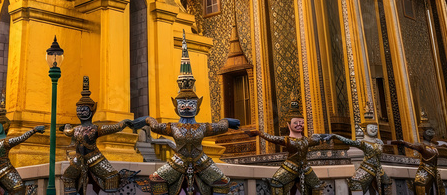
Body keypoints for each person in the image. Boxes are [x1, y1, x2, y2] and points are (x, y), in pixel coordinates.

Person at [138, 31, 240, 195]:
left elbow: (218, 127)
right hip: (178, 161)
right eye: (183, 104)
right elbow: (156, 127)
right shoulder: (172, 127)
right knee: (156, 180)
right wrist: (148, 119)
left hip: (201, 160)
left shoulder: (202, 127)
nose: (186, 106)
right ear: (176, 106)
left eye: (191, 103)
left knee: (222, 182)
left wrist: (226, 121)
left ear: (198, 106)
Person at [62, 76, 140, 194]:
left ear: (92, 111)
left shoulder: (95, 129)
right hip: (79, 160)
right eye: (79, 109)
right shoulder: (76, 129)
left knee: (112, 177)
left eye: (84, 110)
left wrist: (122, 124)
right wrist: (66, 127)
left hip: (95, 158)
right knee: (68, 177)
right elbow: (68, 133)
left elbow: (110, 128)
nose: (81, 112)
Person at [245, 99, 329, 195]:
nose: (299, 125)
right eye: (296, 123)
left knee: (317, 186)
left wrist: (326, 137)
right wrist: (259, 133)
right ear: (289, 125)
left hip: (305, 168)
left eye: (301, 122)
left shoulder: (306, 140)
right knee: (276, 181)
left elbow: (318, 139)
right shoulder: (287, 140)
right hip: (290, 167)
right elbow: (272, 138)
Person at [327, 108, 390, 195]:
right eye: (371, 127)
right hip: (367, 168)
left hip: (378, 169)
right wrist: (335, 136)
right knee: (355, 182)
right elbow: (348, 141)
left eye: (375, 127)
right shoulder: (363, 142)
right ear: (365, 129)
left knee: (387, 184)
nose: (374, 129)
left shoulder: (379, 142)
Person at [0, 114, 46, 195]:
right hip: (4, 172)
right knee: (18, 189)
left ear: (3, 127)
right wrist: (33, 130)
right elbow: (21, 138)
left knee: (16, 190)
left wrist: (33, 130)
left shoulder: (1, 142)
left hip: (0, 173)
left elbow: (20, 138)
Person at [386, 112, 440, 195]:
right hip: (432, 172)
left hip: (426, 172)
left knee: (420, 185)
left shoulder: (427, 147)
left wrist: (393, 142)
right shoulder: (431, 148)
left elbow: (408, 144)